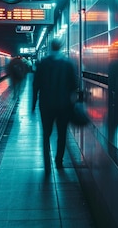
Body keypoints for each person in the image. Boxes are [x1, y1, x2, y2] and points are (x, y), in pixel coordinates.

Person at [32, 39, 78, 169]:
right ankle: (59, 160)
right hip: (64, 106)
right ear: (61, 47)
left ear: (50, 47)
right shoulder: (68, 63)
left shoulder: (43, 64)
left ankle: (47, 162)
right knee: (62, 133)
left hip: (46, 105)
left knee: (46, 134)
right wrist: (73, 104)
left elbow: (36, 85)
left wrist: (33, 104)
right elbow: (74, 86)